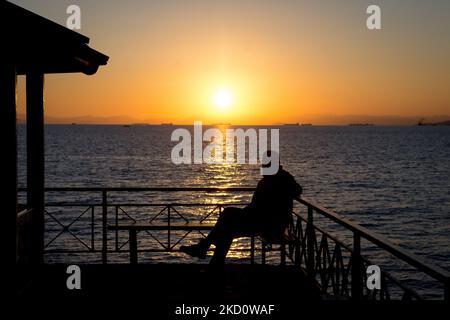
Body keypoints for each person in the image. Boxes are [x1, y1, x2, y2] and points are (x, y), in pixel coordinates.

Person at [180, 152, 302, 265]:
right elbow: (257, 206)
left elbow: (296, 190)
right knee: (227, 225)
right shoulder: (270, 179)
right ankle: (211, 259)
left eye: (265, 164)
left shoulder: (280, 179)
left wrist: (281, 181)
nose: (262, 166)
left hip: (268, 225)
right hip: (259, 219)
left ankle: (207, 254)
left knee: (227, 223)